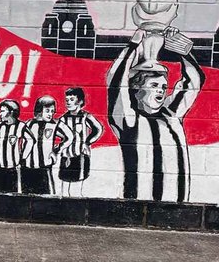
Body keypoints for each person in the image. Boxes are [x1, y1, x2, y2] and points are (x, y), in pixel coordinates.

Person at [106, 27, 204, 202]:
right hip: (139, 208)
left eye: (163, 87)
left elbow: (194, 82)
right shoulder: (129, 121)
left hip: (178, 206)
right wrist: (132, 46)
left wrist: (184, 53)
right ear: (136, 88)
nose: (161, 91)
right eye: (154, 85)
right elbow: (116, 85)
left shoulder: (171, 115)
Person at [54, 88, 104, 197]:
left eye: (71, 99)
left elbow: (98, 129)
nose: (68, 102)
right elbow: (57, 132)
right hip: (66, 156)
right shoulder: (63, 118)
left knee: (77, 187)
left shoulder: (85, 116)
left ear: (80, 101)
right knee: (64, 183)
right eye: (66, 100)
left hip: (80, 155)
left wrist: (87, 142)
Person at [19, 96, 58, 195]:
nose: (50, 114)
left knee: (47, 197)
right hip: (27, 168)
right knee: (26, 197)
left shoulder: (54, 125)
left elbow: (69, 137)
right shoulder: (29, 123)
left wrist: (56, 151)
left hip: (44, 168)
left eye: (52, 111)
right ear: (40, 110)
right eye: (48, 111)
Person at [0, 99, 23, 193]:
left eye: (2, 111)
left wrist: (22, 158)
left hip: (11, 170)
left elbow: (31, 141)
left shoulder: (21, 126)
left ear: (11, 112)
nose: (0, 114)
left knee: (10, 198)